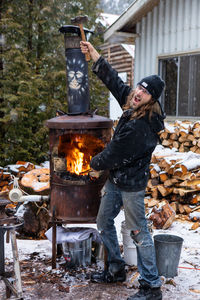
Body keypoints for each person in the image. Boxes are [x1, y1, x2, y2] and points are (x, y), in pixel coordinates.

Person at [80, 41, 165, 300]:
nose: (138, 92)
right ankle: (116, 268)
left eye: (145, 92)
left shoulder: (143, 125)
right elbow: (116, 83)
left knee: (138, 232)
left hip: (132, 186)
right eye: (140, 86)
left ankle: (151, 286)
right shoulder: (134, 103)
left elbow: (113, 154)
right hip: (117, 180)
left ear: (152, 100)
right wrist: (95, 56)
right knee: (104, 221)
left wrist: (92, 165)